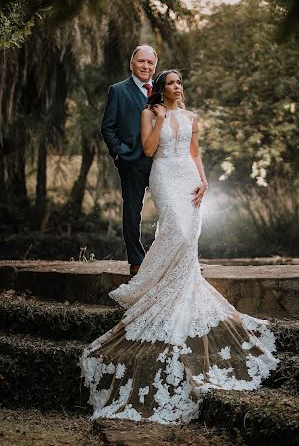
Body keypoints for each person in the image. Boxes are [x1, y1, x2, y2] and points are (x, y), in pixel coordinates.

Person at [80, 70, 279, 424]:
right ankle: (150, 282)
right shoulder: (149, 113)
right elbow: (149, 149)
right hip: (164, 176)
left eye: (179, 83)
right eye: (171, 83)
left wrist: (204, 181)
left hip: (188, 176)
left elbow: (195, 152)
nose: (177, 87)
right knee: (177, 230)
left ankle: (181, 284)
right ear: (161, 89)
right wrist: (157, 118)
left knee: (191, 236)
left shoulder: (191, 116)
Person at [101, 45, 157, 278]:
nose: (146, 66)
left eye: (150, 63)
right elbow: (107, 127)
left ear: (155, 66)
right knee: (133, 212)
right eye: (141, 61)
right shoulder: (118, 90)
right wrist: (119, 153)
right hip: (132, 162)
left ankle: (172, 257)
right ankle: (136, 260)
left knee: (174, 208)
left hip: (162, 161)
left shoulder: (161, 91)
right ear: (131, 64)